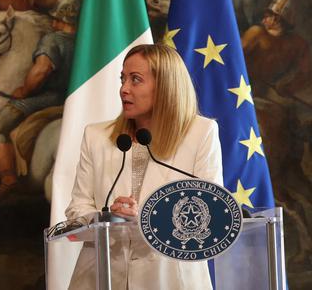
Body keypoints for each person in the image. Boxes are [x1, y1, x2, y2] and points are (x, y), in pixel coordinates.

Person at [65, 44, 222, 290]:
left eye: (135, 80)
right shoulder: (97, 136)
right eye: (123, 78)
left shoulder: (200, 134)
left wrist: (148, 220)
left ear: (166, 86)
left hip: (169, 280)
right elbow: (77, 210)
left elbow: (209, 216)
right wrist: (108, 219)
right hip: (102, 277)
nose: (123, 89)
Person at [0, 0, 78, 209]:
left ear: (57, 17)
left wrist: (24, 90)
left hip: (50, 98)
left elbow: (41, 71)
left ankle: (8, 178)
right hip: (76, 98)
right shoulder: (87, 38)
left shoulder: (52, 39)